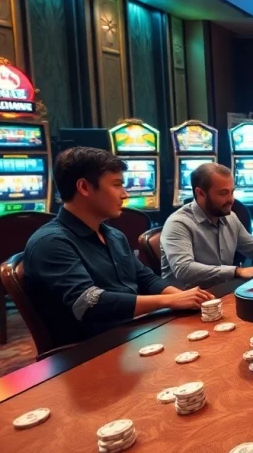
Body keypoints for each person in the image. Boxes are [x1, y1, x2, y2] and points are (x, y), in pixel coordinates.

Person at [24, 147, 213, 347]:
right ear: (84, 187)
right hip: (88, 353)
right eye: (117, 185)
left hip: (132, 335)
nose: (124, 194)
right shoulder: (51, 242)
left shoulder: (113, 235)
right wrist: (168, 301)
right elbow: (89, 303)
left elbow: (145, 279)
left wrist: (186, 297)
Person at [161, 163, 253, 289]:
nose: (231, 199)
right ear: (200, 193)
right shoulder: (178, 223)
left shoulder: (229, 217)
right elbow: (184, 269)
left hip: (221, 290)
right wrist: (236, 271)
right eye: (223, 193)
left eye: (232, 192)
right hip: (184, 305)